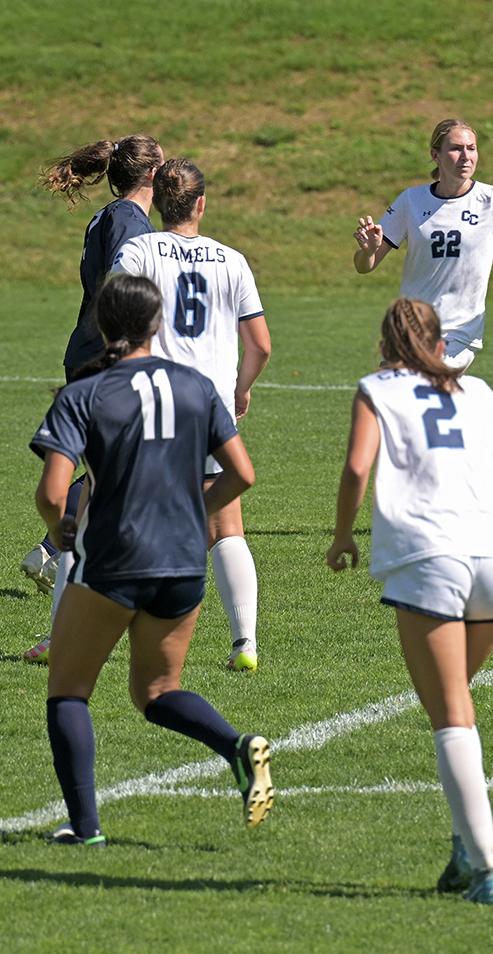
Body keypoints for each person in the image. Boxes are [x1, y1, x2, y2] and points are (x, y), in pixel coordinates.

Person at [326, 298, 493, 905]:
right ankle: (462, 848)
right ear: (439, 341)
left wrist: (344, 533)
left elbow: (355, 468)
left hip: (431, 558)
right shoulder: (477, 391)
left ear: (386, 343)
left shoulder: (377, 387)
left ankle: (486, 870)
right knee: (448, 704)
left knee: (452, 712)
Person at [32, 273, 273, 847]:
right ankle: (238, 747)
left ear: (102, 325)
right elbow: (242, 473)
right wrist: (196, 514)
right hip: (184, 562)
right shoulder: (195, 385)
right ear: (156, 324)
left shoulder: (85, 392)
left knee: (68, 690)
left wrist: (60, 529)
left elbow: (50, 492)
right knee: (158, 692)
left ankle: (86, 828)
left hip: (114, 558)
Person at [110, 157, 272, 671]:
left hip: (152, 404)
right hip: (211, 409)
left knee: (122, 518)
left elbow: (113, 314)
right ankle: (244, 643)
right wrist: (240, 390)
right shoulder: (233, 260)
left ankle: (98, 628)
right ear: (202, 203)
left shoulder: (138, 249)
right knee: (227, 526)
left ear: (157, 202)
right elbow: (261, 345)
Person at [21, 135, 165, 662]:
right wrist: (123, 357)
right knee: (119, 476)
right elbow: (117, 291)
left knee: (113, 474)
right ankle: (57, 580)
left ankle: (53, 561)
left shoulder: (109, 214)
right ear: (152, 175)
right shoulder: (130, 220)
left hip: (86, 352)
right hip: (106, 356)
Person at [352, 118, 493, 371]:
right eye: (456, 148)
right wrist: (369, 251)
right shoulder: (411, 200)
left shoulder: (491, 199)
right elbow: (364, 266)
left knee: (422, 386)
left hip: (459, 331)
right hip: (411, 325)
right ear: (435, 155)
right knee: (391, 397)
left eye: (471, 148)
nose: (466, 156)